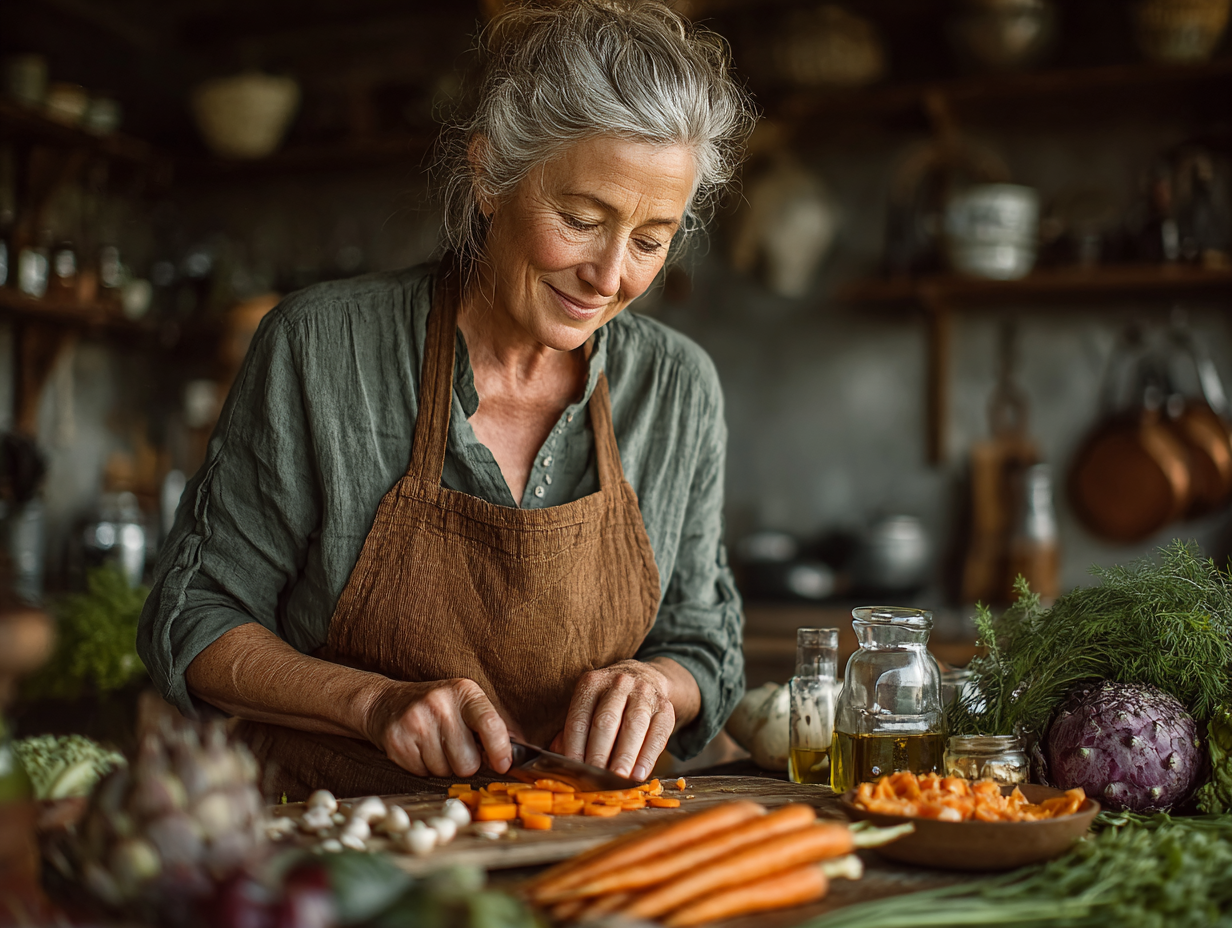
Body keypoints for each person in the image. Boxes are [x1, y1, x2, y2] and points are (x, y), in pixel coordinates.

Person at [138, 0, 756, 799]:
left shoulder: (676, 388)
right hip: (343, 832)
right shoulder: (321, 349)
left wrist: (657, 686)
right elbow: (194, 615)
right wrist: (371, 703)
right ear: (491, 175)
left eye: (649, 240)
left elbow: (703, 640)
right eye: (579, 220)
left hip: (585, 836)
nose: (609, 277)